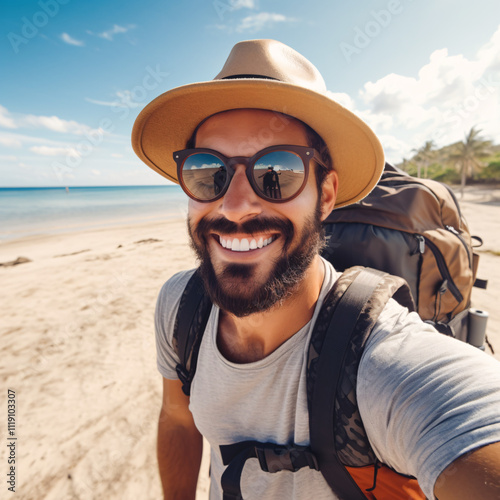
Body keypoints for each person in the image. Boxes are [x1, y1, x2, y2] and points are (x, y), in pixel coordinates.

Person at [132, 40, 500, 499]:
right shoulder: (180, 306)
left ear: (326, 196)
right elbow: (177, 417)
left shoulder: (384, 360)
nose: (235, 206)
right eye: (209, 172)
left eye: (277, 172)